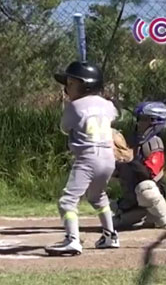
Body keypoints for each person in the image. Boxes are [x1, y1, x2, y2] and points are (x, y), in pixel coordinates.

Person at [44, 61, 120, 256]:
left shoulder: (74, 107)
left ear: (86, 85)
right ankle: (110, 235)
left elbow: (64, 128)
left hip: (87, 158)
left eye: (70, 83)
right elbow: (114, 115)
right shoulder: (108, 105)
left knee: (67, 201)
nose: (66, 88)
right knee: (98, 196)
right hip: (108, 158)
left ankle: (72, 240)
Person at [111, 101, 166, 229]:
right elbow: (122, 173)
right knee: (113, 222)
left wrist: (129, 160)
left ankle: (163, 216)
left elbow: (149, 175)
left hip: (153, 192)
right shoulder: (136, 143)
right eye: (139, 119)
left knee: (146, 188)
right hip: (135, 198)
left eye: (144, 120)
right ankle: (148, 216)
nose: (139, 123)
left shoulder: (154, 143)